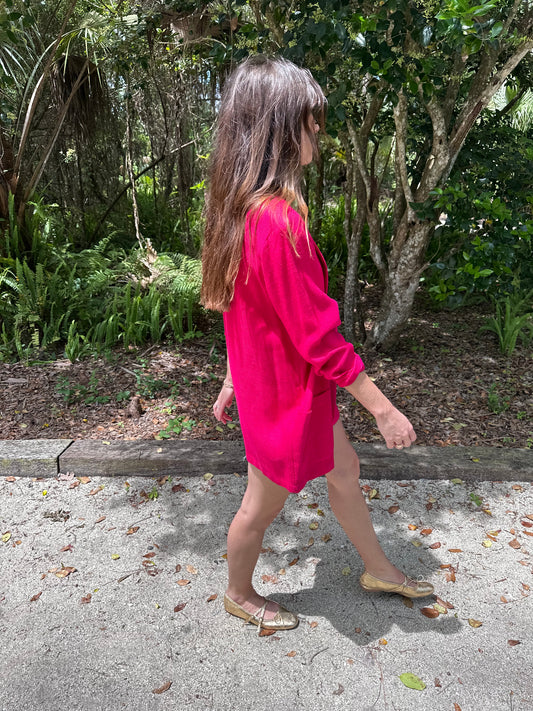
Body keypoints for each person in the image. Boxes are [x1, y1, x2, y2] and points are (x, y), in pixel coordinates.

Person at [201, 55, 433, 634]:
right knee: (261, 505)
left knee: (344, 468)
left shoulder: (242, 212)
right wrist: (384, 409)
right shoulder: (277, 223)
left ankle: (378, 568)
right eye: (310, 120)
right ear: (280, 126)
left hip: (289, 389)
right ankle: (239, 592)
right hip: (284, 398)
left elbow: (246, 313)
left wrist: (233, 379)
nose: (318, 133)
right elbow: (317, 338)